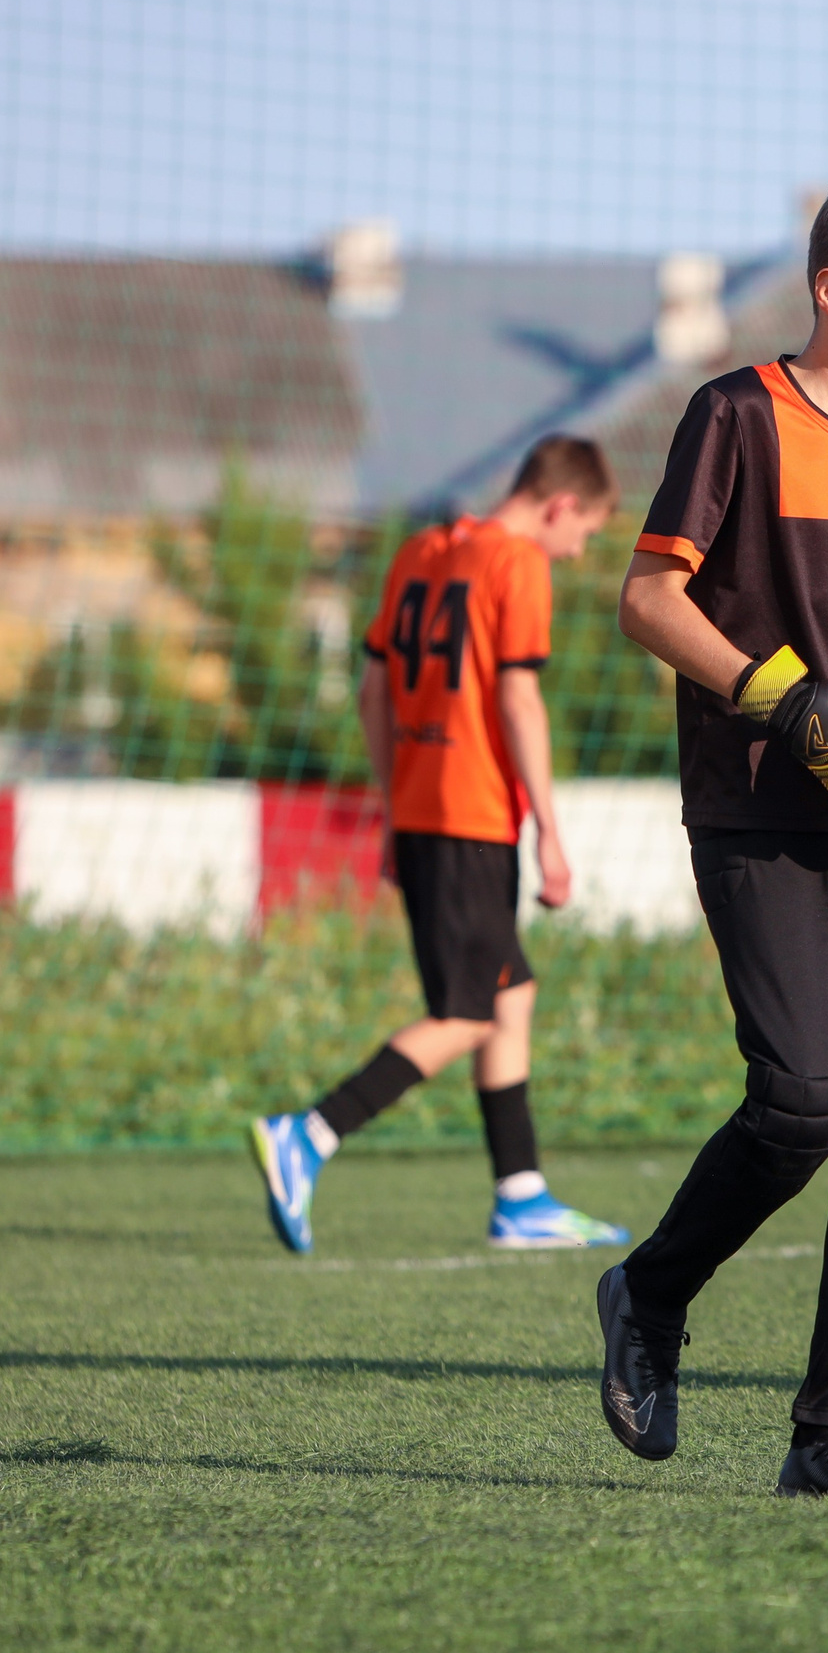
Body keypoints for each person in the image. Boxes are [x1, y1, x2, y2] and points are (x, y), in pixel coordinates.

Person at [599, 175, 828, 1500]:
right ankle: (649, 1290)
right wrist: (783, 696)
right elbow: (647, 599)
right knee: (807, 1101)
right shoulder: (734, 414)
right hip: (757, 802)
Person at [249, 437, 634, 1256]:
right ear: (561, 505)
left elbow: (373, 689)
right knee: (465, 1014)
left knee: (511, 993)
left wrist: (395, 806)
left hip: (425, 810)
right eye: (587, 531)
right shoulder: (518, 564)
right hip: (475, 819)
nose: (578, 549)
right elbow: (520, 701)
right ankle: (309, 1133)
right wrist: (551, 831)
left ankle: (520, 1195)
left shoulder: (421, 552)